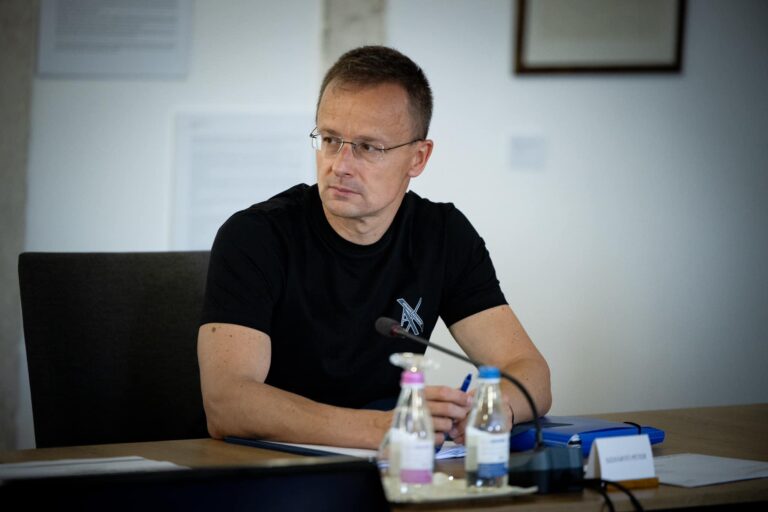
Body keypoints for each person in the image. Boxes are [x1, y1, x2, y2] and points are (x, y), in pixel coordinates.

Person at [197, 45, 551, 449]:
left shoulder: (443, 235)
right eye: (330, 139)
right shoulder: (255, 236)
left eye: (368, 147)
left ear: (418, 158)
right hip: (269, 464)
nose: (340, 165)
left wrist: (491, 407)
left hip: (388, 466)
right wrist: (380, 428)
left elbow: (532, 374)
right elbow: (227, 404)